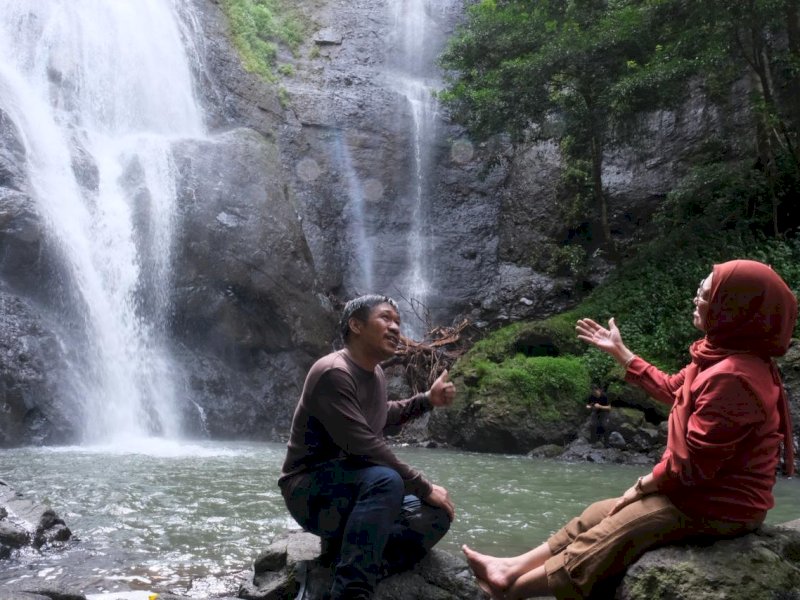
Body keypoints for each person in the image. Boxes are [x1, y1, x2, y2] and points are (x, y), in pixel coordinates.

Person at [462, 259, 797, 599]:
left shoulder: (734, 377)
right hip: (699, 491)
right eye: (700, 288)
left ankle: (511, 590)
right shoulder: (718, 356)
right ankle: (510, 567)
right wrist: (622, 354)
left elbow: (693, 466)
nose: (696, 297)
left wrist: (641, 487)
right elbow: (671, 388)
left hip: (719, 504)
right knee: (596, 514)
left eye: (706, 293)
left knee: (611, 532)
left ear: (732, 309)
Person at [279, 294, 457, 600]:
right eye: (385, 318)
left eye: (398, 322)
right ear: (356, 325)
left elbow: (383, 414)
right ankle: (351, 590)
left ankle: (352, 562)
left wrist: (427, 399)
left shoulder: (374, 374)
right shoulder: (334, 371)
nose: (395, 328)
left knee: (436, 513)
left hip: (354, 488)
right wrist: (422, 485)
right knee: (387, 480)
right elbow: (363, 444)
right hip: (311, 491)